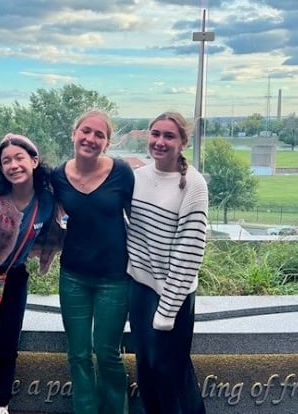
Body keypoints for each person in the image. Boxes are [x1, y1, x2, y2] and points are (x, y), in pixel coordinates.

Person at [0, 133, 61, 414]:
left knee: (7, 348)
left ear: (34, 161)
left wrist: (45, 252)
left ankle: (1, 404)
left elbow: (58, 229)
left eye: (19, 158)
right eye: (6, 161)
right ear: (1, 168)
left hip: (15, 280)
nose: (13, 165)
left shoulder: (46, 201)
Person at [51, 110, 134, 414]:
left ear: (107, 143)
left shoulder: (122, 173)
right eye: (86, 131)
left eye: (100, 135)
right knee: (78, 355)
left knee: (107, 353)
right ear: (73, 134)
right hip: (73, 277)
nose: (91, 138)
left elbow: (141, 218)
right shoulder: (57, 176)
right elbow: (27, 196)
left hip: (114, 279)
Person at [126, 112, 208, 414]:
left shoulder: (194, 185)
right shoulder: (138, 178)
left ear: (183, 142)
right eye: (155, 134)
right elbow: (132, 232)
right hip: (140, 291)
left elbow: (189, 253)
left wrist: (167, 310)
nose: (160, 141)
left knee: (172, 376)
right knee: (146, 371)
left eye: (169, 136)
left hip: (171, 296)